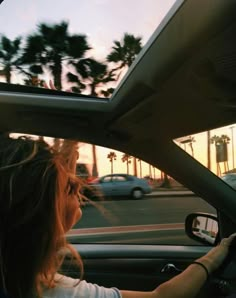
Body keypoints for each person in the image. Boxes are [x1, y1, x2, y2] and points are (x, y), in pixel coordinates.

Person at [0, 135, 235, 298]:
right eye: (70, 188)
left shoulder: (22, 279)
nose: (79, 187)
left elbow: (53, 183)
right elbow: (165, 296)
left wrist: (70, 144)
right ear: (45, 214)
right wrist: (215, 256)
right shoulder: (51, 290)